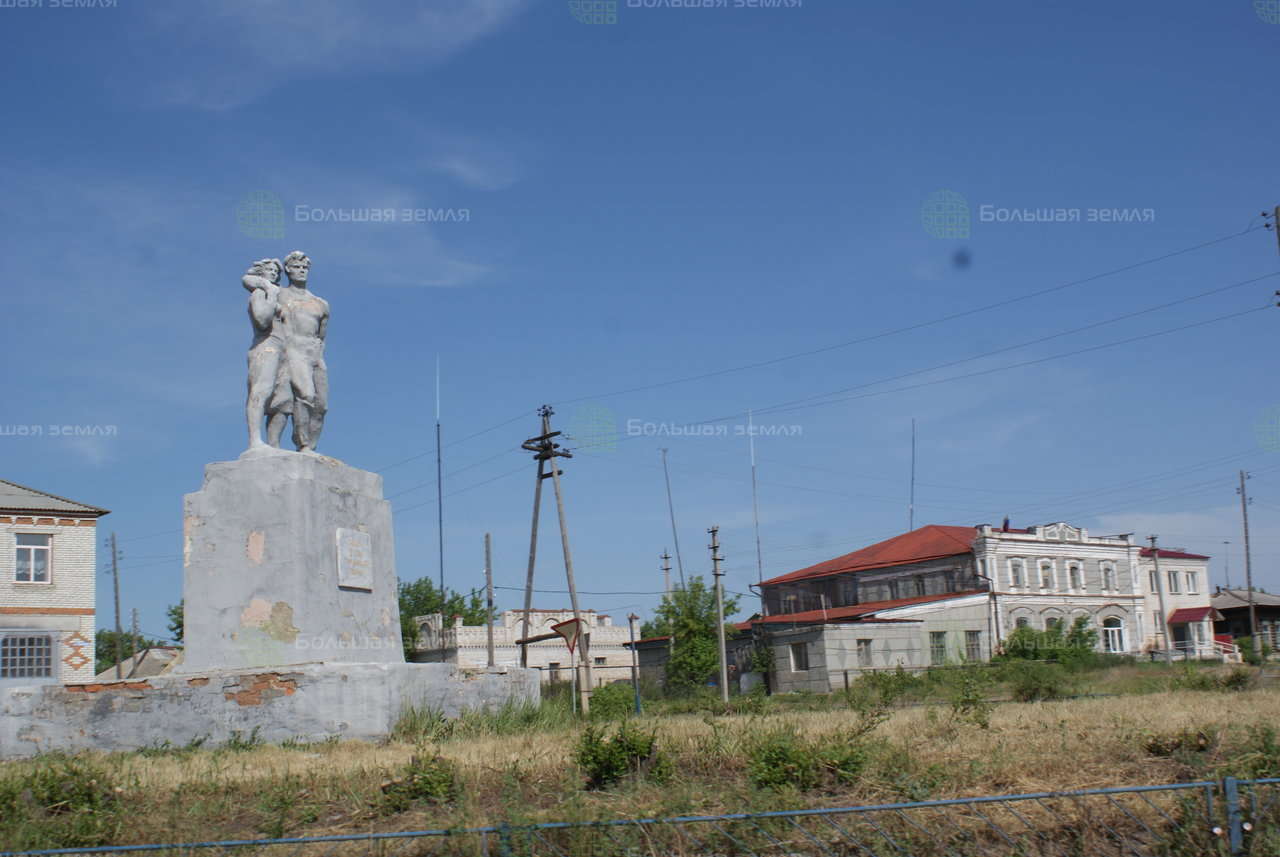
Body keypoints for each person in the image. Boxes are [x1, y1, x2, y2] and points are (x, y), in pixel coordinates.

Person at [275, 251, 330, 452]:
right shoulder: (279, 294)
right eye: (297, 267)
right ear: (288, 270)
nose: (301, 271)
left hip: (314, 351)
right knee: (306, 395)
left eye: (305, 268)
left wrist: (316, 353)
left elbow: (321, 334)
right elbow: (251, 281)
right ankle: (303, 442)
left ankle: (311, 447)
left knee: (321, 406)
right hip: (293, 348)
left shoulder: (321, 303)